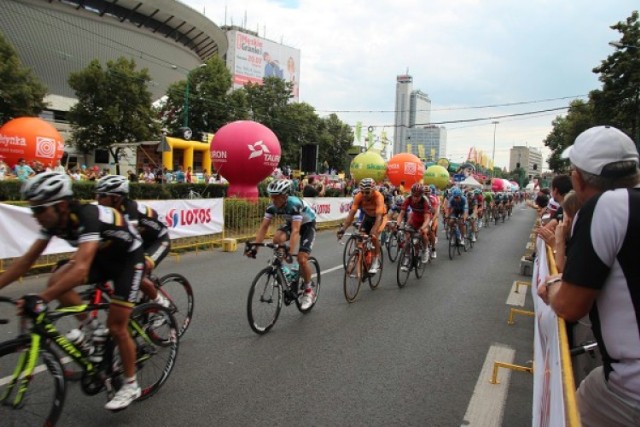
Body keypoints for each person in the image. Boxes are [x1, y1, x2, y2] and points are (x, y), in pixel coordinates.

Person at [0, 172, 144, 410]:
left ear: (62, 205)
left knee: (117, 326)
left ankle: (130, 384)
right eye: (33, 209)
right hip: (104, 256)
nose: (36, 216)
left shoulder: (86, 215)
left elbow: (80, 269)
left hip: (128, 259)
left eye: (39, 210)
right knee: (56, 279)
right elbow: (26, 262)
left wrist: (41, 299)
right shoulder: (55, 221)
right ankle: (91, 328)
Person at [537, 125, 640, 426]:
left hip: (629, 384)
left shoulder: (604, 207)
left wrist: (554, 283)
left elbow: (569, 306)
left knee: (567, 412)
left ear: (578, 178)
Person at [94, 175, 171, 308]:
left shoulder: (129, 208)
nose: (97, 199)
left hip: (159, 240)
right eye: (97, 195)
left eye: (102, 195)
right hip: (141, 240)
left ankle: (164, 305)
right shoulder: (107, 210)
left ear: (115, 197)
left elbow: (127, 239)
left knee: (137, 270)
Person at [244, 179, 318, 310]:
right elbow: (263, 228)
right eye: (271, 196)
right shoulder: (271, 207)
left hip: (307, 224)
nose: (273, 199)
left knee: (301, 258)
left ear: (284, 196)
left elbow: (296, 231)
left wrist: (290, 251)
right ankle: (285, 270)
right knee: (277, 239)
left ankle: (308, 290)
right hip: (292, 222)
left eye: (276, 196)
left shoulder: (294, 204)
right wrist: (255, 248)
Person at [337, 178, 387, 274]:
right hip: (368, 217)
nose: (364, 195)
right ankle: (360, 254)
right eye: (362, 192)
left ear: (373, 190)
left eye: (367, 192)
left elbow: (379, 217)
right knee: (360, 236)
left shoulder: (378, 196)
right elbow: (351, 214)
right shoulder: (358, 196)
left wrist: (374, 230)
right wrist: (343, 229)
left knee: (374, 236)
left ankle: (376, 260)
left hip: (380, 218)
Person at [396, 183, 434, 266]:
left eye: (417, 196)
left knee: (423, 233)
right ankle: (407, 255)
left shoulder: (425, 201)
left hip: (426, 219)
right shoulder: (408, 198)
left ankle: (425, 250)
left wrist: (422, 228)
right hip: (415, 217)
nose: (415, 198)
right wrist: (398, 225)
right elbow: (402, 213)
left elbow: (427, 218)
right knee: (407, 234)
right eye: (413, 195)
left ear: (421, 195)